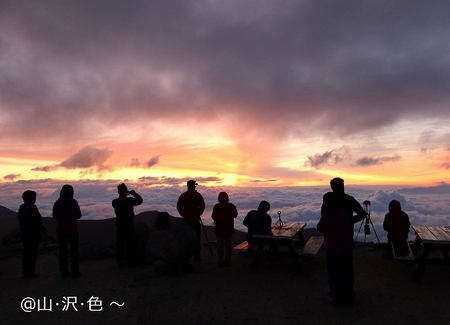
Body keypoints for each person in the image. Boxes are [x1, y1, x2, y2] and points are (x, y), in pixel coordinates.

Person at [317, 192, 355, 307]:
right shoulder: (344, 214)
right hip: (346, 246)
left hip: (332, 248)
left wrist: (323, 214)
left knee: (334, 273)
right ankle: (349, 295)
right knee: (347, 271)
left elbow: (320, 228)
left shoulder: (327, 215)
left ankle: (336, 298)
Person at [53, 184, 82, 279]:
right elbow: (78, 215)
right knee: (74, 251)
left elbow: (55, 216)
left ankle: (64, 272)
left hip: (61, 230)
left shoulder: (57, 203)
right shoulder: (73, 202)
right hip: (72, 229)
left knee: (63, 251)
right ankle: (75, 271)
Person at [326, 177, 367, 243]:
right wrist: (350, 221)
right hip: (347, 233)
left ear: (332, 187)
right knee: (347, 250)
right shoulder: (350, 200)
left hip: (331, 235)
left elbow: (324, 216)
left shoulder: (328, 200)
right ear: (342, 186)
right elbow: (362, 214)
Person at [112, 183, 143, 267]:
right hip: (129, 224)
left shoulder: (115, 202)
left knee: (120, 243)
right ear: (126, 191)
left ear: (118, 192)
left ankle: (120, 261)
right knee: (131, 242)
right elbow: (140, 200)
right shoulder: (130, 201)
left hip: (120, 224)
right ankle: (131, 260)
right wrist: (134, 194)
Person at [177, 180, 205, 262]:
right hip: (196, 220)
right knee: (196, 237)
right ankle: (197, 255)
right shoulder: (198, 195)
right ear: (194, 186)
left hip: (186, 220)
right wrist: (198, 214)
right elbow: (202, 206)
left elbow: (179, 207)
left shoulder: (183, 196)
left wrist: (184, 215)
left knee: (186, 238)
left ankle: (186, 255)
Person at [18, 190, 43, 279]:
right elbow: (37, 220)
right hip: (33, 234)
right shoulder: (33, 208)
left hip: (24, 233)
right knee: (32, 253)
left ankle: (25, 272)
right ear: (33, 199)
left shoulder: (21, 207)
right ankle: (30, 272)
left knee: (26, 253)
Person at [243, 200, 272, 270]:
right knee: (270, 242)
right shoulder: (267, 217)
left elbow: (245, 222)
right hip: (260, 240)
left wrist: (251, 227)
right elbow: (268, 229)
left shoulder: (251, 213)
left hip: (250, 238)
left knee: (259, 241)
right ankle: (270, 256)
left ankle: (251, 250)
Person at [211, 192, 238, 267]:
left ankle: (220, 261)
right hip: (229, 229)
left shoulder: (216, 207)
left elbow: (213, 216)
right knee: (228, 245)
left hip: (219, 229)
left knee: (220, 245)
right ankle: (227, 261)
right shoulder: (231, 206)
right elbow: (235, 215)